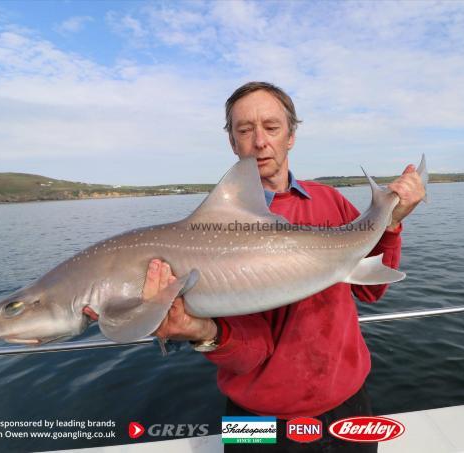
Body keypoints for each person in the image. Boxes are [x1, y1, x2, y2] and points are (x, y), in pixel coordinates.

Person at [89, 82, 425, 451]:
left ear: (291, 136)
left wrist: (390, 223)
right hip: (252, 419)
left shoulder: (330, 201)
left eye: (271, 127)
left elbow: (371, 290)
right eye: (244, 130)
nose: (259, 141)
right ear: (232, 142)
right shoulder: (207, 236)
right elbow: (250, 353)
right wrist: (196, 329)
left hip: (349, 404)